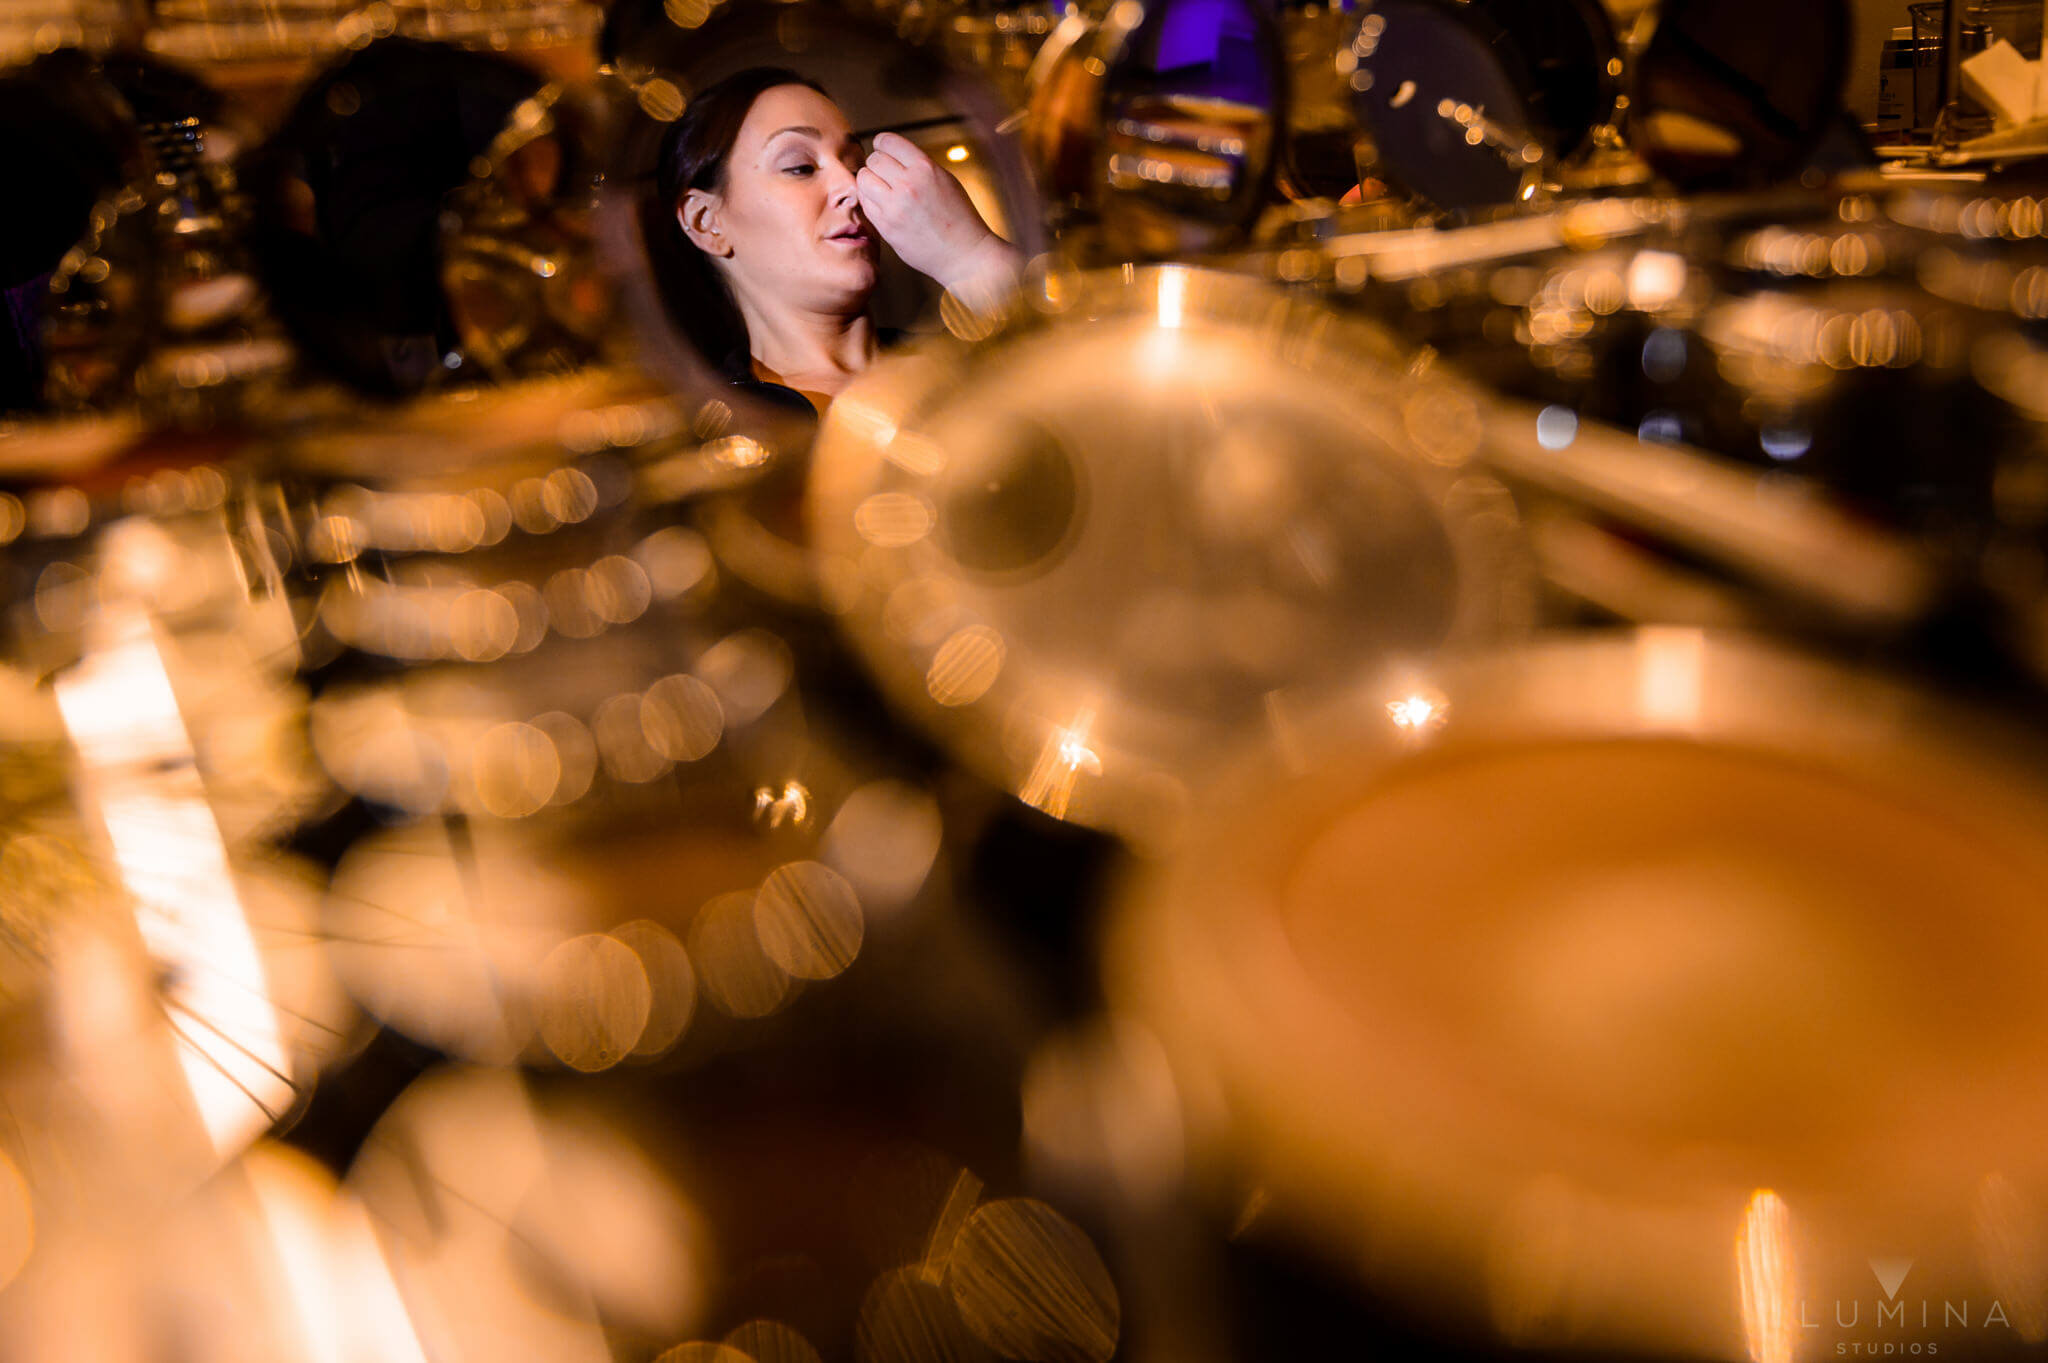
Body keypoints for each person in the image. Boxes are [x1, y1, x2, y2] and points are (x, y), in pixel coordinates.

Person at [657, 66, 1020, 416]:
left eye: (855, 164)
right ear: (705, 222)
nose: (853, 188)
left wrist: (973, 258)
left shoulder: (969, 368)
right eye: (800, 167)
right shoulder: (714, 429)